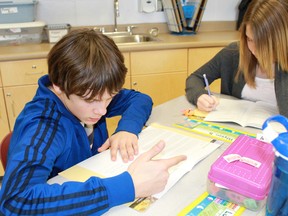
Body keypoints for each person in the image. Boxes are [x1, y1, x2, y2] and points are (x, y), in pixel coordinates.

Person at [0, 29, 186, 215]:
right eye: (92, 100)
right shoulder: (43, 125)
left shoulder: (89, 92)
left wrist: (127, 129)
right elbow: (15, 204)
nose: (103, 110)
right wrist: (128, 187)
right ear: (58, 86)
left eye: (110, 97)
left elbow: (140, 99)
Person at [185, 0, 288, 118]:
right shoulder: (233, 54)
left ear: (281, 39)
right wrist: (199, 96)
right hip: (234, 132)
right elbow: (195, 78)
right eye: (249, 39)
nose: (254, 50)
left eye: (261, 43)